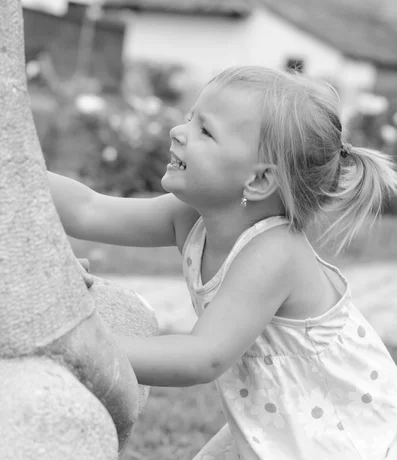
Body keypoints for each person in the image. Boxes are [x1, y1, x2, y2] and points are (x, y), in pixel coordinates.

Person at [48, 66, 397, 460]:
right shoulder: (189, 218)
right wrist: (17, 170)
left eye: (205, 131)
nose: (178, 132)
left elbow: (201, 357)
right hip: (279, 423)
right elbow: (89, 210)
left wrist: (76, 345)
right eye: (188, 118)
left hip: (342, 440)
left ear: (258, 181)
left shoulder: (275, 251)